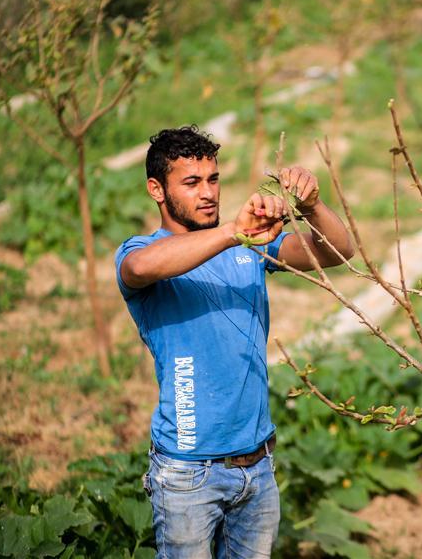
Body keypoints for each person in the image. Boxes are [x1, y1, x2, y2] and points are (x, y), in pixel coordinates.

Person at [114, 125, 354, 558]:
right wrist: (232, 232)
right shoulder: (143, 250)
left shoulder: (251, 248)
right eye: (191, 183)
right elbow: (140, 269)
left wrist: (314, 206)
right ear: (157, 190)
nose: (207, 193)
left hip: (257, 466)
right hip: (188, 471)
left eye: (213, 179)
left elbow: (337, 253)